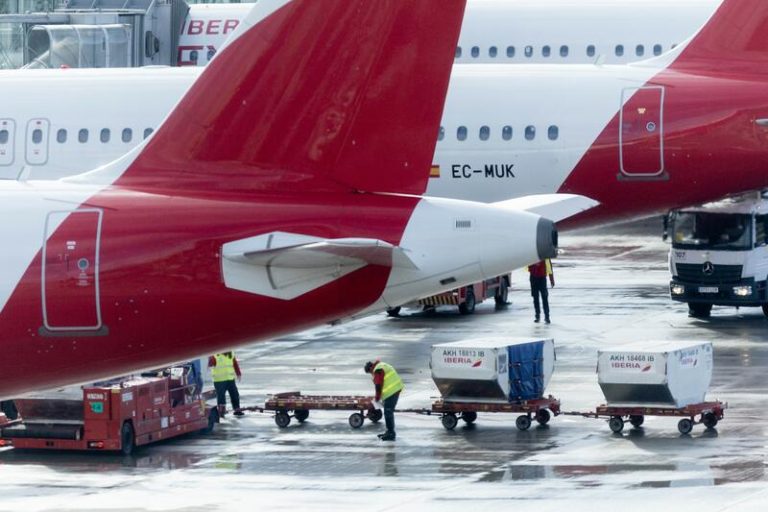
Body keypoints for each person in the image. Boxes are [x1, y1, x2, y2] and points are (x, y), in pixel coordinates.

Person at [364, 360, 404, 441]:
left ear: (371, 368)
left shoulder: (377, 370)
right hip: (395, 389)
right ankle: (389, 431)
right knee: (388, 411)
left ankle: (391, 433)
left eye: (370, 372)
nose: (371, 374)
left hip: (392, 391)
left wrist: (377, 399)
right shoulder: (381, 365)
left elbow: (378, 386)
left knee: (388, 412)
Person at [208, 352, 243, 416]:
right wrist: (211, 362)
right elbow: (210, 364)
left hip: (230, 379)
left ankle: (237, 409)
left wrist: (238, 373)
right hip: (219, 380)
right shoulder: (215, 354)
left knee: (234, 394)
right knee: (221, 396)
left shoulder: (231, 353)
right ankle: (221, 411)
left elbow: (235, 363)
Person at [528, 259, 555, 323]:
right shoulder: (532, 255)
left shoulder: (545, 255)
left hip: (542, 278)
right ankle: (537, 316)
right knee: (535, 297)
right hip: (533, 278)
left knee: (544, 297)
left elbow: (549, 266)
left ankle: (547, 317)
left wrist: (552, 279)